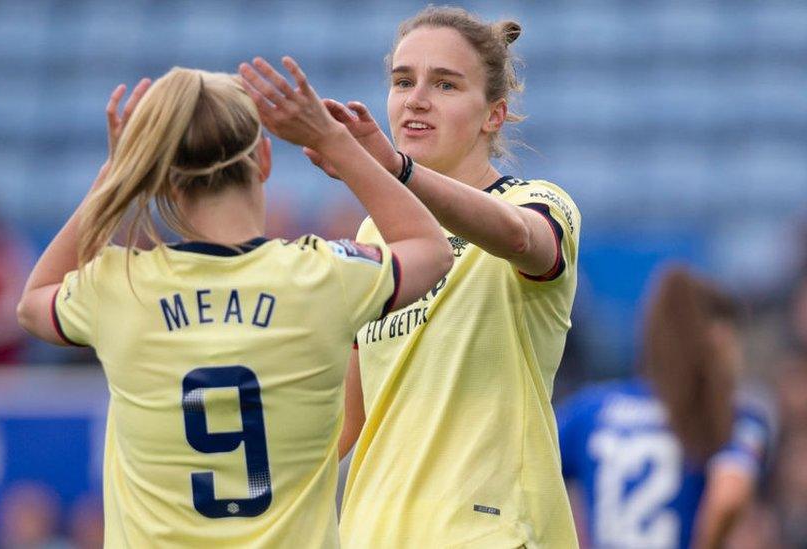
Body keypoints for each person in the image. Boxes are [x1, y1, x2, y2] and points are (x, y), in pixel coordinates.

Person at [16, 58, 452, 547]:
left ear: (157, 178)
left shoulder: (119, 286)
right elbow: (432, 251)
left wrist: (116, 175)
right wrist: (334, 141)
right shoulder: (323, 276)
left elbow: (33, 302)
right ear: (264, 159)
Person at [304, 6, 581, 546]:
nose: (416, 99)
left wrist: (395, 172)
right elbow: (346, 421)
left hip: (490, 532)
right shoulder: (374, 235)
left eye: (446, 84)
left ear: (493, 115)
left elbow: (523, 239)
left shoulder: (539, 203)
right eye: (403, 80)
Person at [556, 268, 773, 549]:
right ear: (716, 342)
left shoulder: (591, 409)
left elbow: (528, 469)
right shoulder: (734, 417)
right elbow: (728, 497)